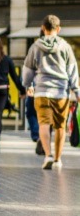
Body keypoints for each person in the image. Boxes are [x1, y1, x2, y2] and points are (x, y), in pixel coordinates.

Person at [22, 14, 80, 170]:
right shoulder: (65, 47)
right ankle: (57, 159)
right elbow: (72, 70)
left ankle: (47, 155)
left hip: (41, 92)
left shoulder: (35, 47)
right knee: (60, 126)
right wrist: (76, 90)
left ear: (43, 28)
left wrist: (28, 85)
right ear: (58, 29)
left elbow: (28, 70)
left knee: (44, 124)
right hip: (61, 92)